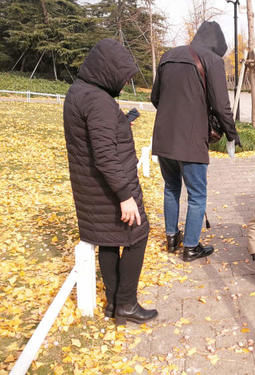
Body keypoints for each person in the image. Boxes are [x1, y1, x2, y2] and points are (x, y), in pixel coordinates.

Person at [63, 39, 157, 325]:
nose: (125, 81)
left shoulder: (79, 92)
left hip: (91, 188)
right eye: (123, 76)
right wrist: (124, 195)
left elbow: (96, 139)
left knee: (107, 241)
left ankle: (114, 304)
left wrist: (119, 124)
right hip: (107, 188)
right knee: (137, 234)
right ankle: (126, 303)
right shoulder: (98, 101)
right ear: (108, 70)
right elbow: (104, 155)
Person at [151, 21, 240, 261]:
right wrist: (231, 135)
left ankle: (172, 238)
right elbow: (222, 106)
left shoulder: (167, 56)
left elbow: (155, 98)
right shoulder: (212, 60)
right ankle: (190, 247)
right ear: (216, 45)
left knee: (171, 188)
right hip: (190, 142)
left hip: (163, 139)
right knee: (197, 195)